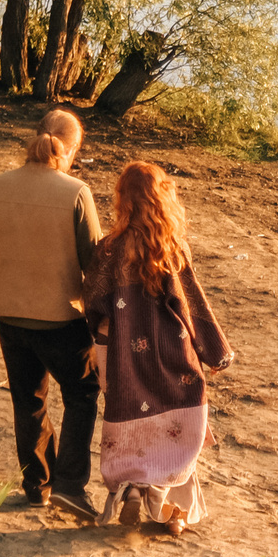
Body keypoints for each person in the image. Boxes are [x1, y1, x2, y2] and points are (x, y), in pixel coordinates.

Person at [0, 108, 103, 520]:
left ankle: (37, 486)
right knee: (81, 396)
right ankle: (70, 487)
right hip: (61, 319)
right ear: (71, 148)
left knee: (28, 401)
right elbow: (94, 264)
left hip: (9, 316)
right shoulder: (76, 192)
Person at [84, 159, 233, 534]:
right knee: (177, 432)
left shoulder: (108, 250)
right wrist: (215, 353)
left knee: (132, 423)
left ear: (123, 201)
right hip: (172, 356)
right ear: (162, 200)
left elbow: (94, 303)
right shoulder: (172, 250)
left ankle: (134, 491)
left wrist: (94, 339)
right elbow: (192, 305)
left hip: (122, 358)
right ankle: (172, 513)